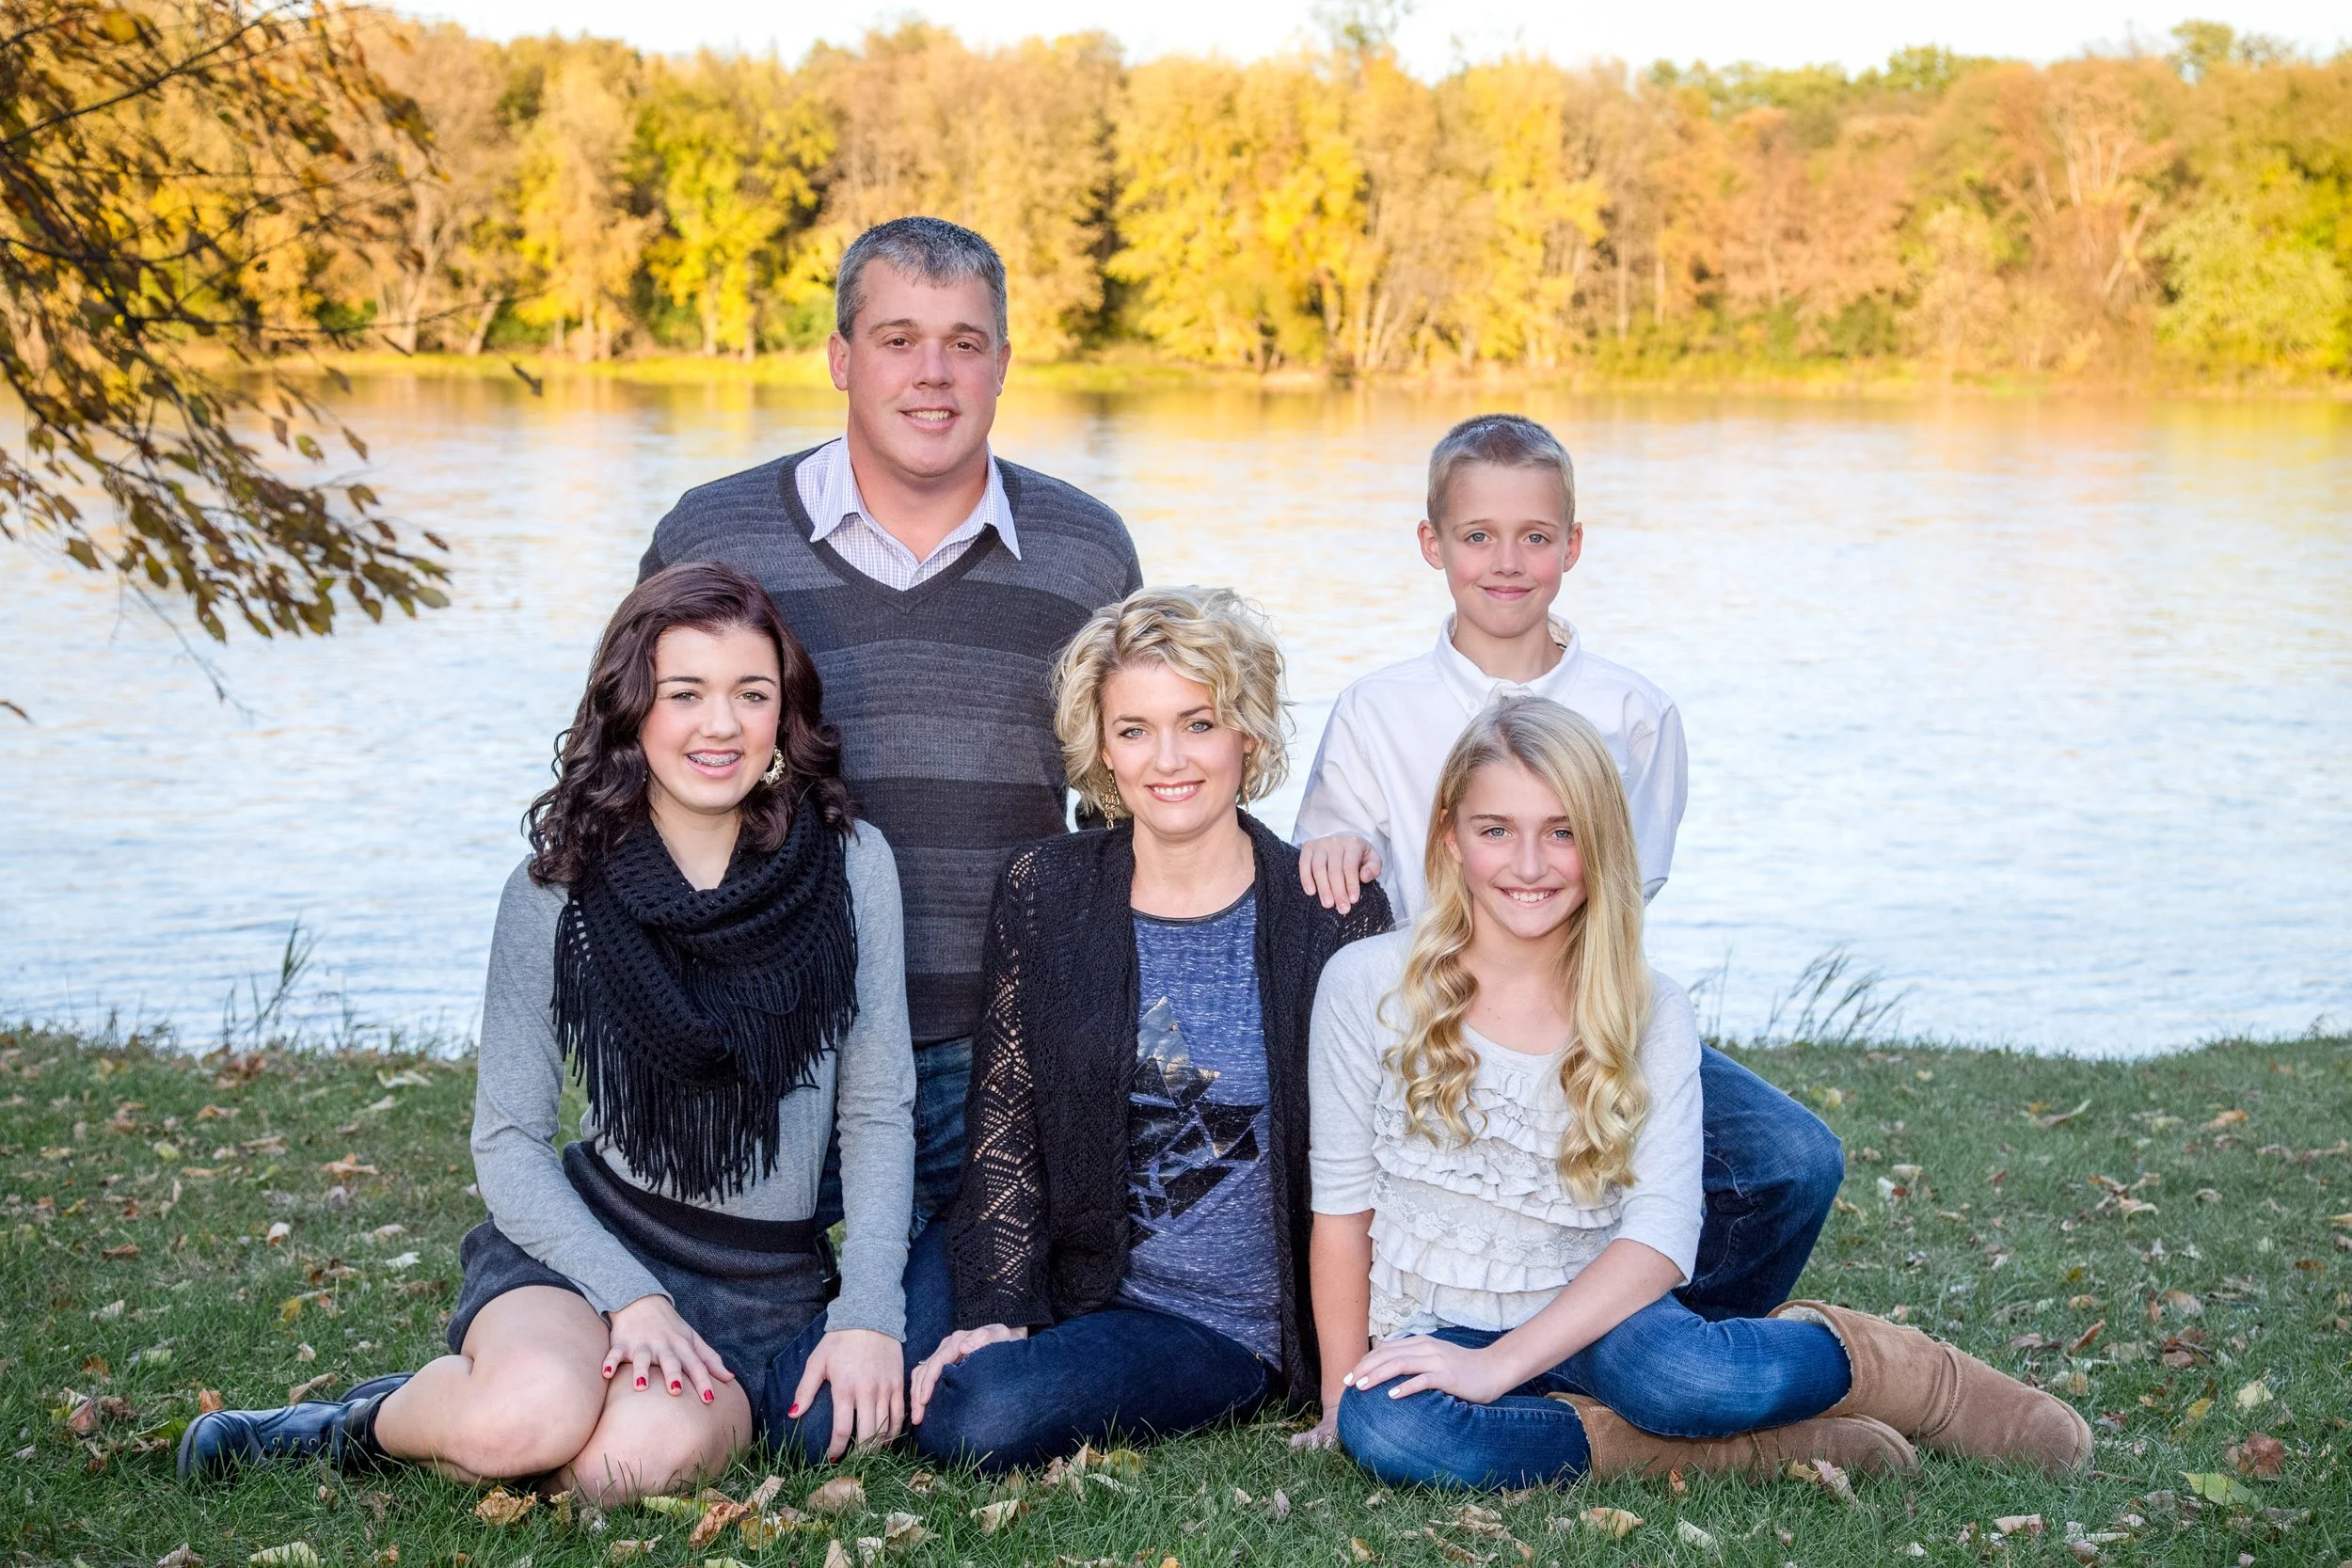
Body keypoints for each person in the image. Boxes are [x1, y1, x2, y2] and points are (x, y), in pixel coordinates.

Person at [179, 563, 935, 1498]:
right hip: (587, 1249)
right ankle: (353, 1423)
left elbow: (874, 1110)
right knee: (523, 1418)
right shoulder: (558, 888)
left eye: (752, 693)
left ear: (784, 714)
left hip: (758, 1290)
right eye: (684, 692)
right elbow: (507, 1140)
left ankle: (514, 1435)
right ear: (631, 710)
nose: (720, 724)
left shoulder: (851, 865)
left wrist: (867, 1311)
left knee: (625, 1466)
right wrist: (633, 1295)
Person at [1307, 695, 2091, 1489]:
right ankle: (1738, 1451)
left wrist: (1503, 1364)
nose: (1531, 864)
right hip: (1436, 1325)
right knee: (1388, 1426)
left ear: (1602, 841)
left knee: (1692, 1380)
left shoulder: (1649, 1007)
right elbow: (1341, 1209)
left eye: (1563, 830)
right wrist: (1342, 1397)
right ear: (1449, 835)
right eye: (1496, 829)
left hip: (1597, 1315)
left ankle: (1913, 1375)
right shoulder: (1367, 983)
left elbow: (1659, 1238)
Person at [637, 217, 1142, 1240]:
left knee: (948, 1362)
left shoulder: (1086, 551)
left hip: (994, 1049)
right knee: (700, 1342)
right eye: (897, 338)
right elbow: (634, 772)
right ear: (839, 358)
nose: (933, 374)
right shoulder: (716, 535)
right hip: (766, 1035)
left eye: (964, 342)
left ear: (1002, 364)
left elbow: (1124, 812)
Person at [1292, 412, 1840, 1323]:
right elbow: (1330, 854)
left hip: (1585, 1014)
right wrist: (1335, 839)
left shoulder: (1633, 712)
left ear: (1572, 545)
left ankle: (1643, 1336)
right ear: (1432, 544)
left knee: (1794, 1155)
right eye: (1477, 536)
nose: (1506, 561)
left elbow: (1628, 887)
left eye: (1534, 537)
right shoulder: (1373, 710)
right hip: (1439, 1024)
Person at [901, 587, 1390, 1474]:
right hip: (1060, 1256)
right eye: (1134, 730)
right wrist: (995, 1306)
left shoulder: (1329, 915)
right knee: (822, 1409)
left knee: (979, 1414)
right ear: (1103, 750)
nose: (1169, 759)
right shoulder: (1045, 888)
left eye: (1198, 723)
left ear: (1248, 732)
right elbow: (1003, 1123)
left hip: (1216, 1321)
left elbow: (1369, 1166)